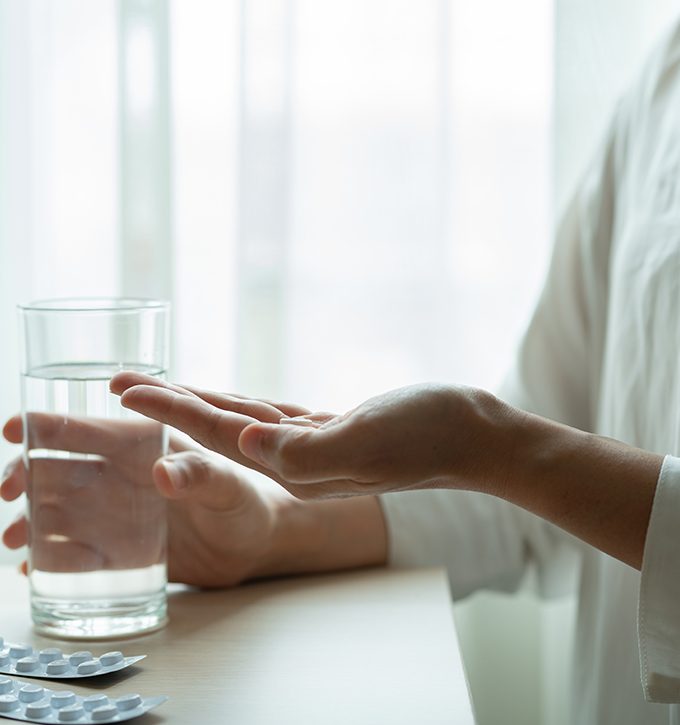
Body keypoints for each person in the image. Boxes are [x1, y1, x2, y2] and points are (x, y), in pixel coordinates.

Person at [5, 19, 680, 725]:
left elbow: (524, 458)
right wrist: (268, 528)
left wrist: (486, 441)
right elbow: (530, 499)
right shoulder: (662, 76)